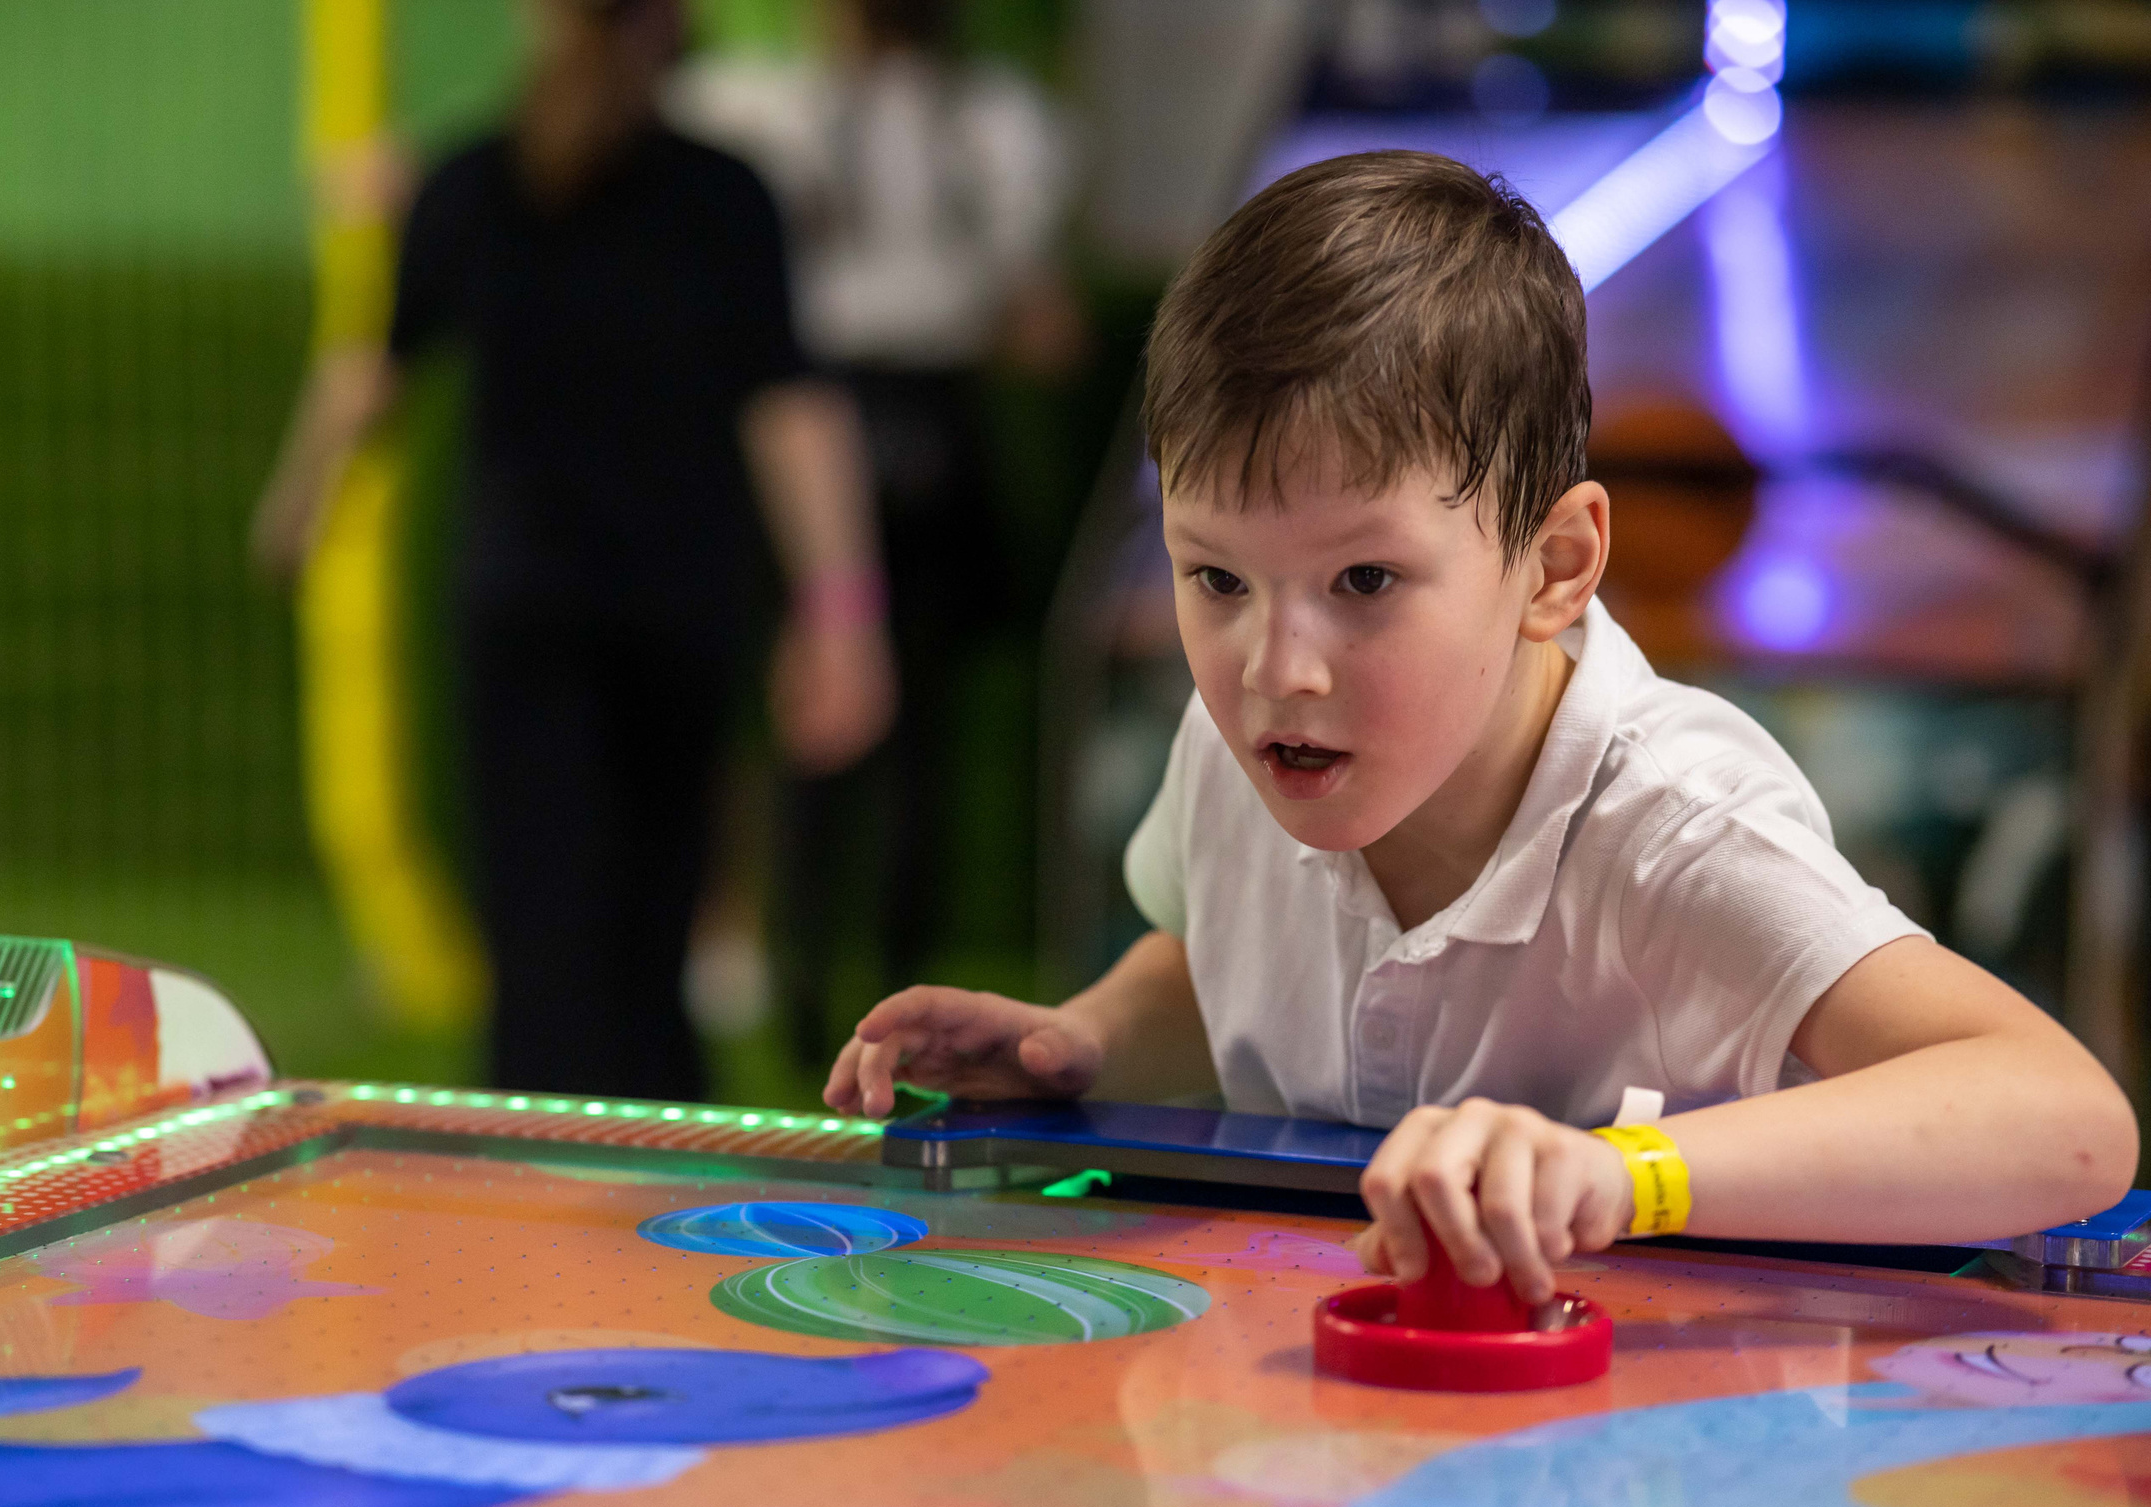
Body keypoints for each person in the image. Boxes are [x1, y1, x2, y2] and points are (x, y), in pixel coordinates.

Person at [823, 152, 2136, 1296]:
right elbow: (1215, 958)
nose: (1277, 669)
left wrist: (1621, 1174)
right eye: (1216, 578)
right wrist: (1085, 1042)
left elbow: (2068, 1119)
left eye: (1364, 580)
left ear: (1555, 566)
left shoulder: (1672, 824)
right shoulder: (1233, 754)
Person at [254, 0, 894, 1101]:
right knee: (653, 915)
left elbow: (373, 370)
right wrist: (843, 611)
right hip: (675, 597)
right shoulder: (723, 195)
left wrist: (296, 500)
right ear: (670, 29)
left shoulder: (472, 182)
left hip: (528, 597)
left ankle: (535, 1144)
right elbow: (793, 407)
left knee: (537, 919)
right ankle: (655, 1138)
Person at [670, 0, 1080, 1063]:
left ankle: (856, 985)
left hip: (906, 424)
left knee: (882, 733)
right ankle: (817, 979)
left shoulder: (977, 122)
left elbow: (1033, 315)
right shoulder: (802, 111)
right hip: (844, 414)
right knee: (844, 726)